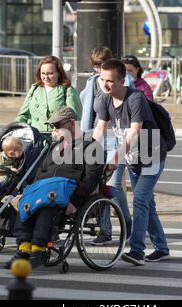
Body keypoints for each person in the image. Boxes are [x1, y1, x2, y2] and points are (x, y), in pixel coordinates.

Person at [4, 107, 104, 269]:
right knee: (26, 205)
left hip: (68, 192)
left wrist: (75, 202)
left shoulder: (91, 146)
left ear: (72, 123)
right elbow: (40, 172)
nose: (54, 129)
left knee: (46, 208)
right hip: (45, 189)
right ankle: (23, 250)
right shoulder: (55, 147)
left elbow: (91, 178)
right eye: (53, 126)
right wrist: (32, 191)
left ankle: (38, 250)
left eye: (58, 125)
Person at [93, 58, 170, 265]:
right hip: (132, 158)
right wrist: (89, 153)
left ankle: (137, 249)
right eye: (102, 79)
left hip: (151, 154)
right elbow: (100, 129)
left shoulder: (136, 99)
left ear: (121, 81)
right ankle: (162, 248)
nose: (104, 84)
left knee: (140, 200)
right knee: (147, 204)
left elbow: (135, 132)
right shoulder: (104, 99)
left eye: (110, 81)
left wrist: (114, 158)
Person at [79, 47, 133, 246]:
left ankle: (127, 224)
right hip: (99, 138)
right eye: (95, 66)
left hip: (120, 141)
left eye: (101, 66)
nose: (97, 71)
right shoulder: (92, 83)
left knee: (112, 186)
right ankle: (106, 230)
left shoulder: (125, 83)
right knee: (99, 186)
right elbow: (87, 111)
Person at [15, 56, 82, 132]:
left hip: (58, 139)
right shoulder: (34, 89)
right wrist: (14, 129)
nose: (46, 77)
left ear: (59, 73)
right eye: (43, 73)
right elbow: (23, 115)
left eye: (50, 73)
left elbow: (74, 118)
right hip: (35, 138)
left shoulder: (68, 90)